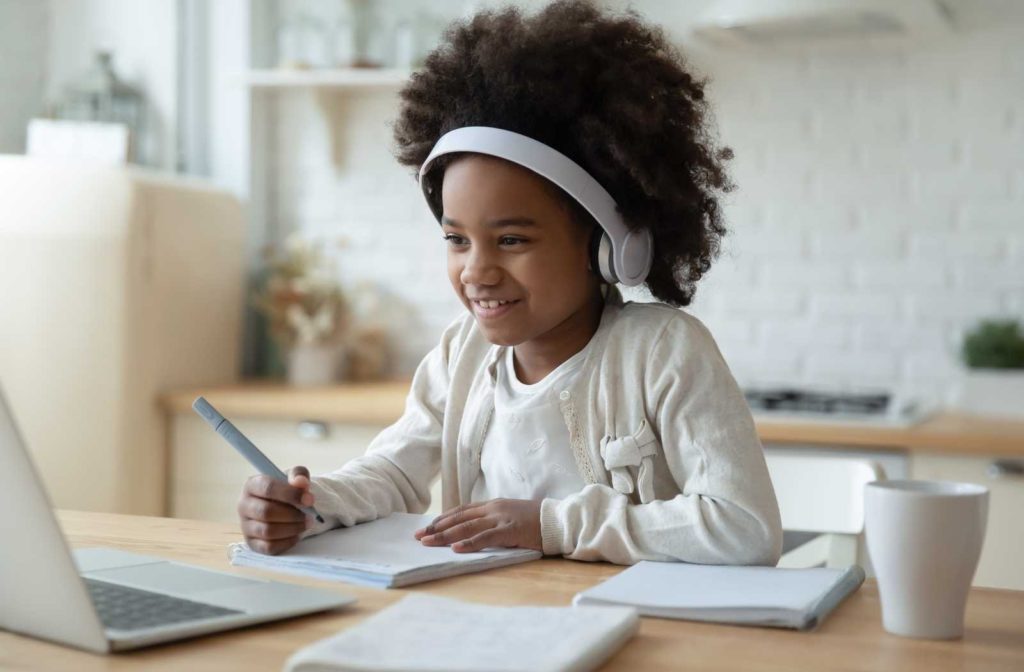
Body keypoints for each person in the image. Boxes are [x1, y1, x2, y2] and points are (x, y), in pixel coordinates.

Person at [237, 0, 782, 566]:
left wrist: (548, 525)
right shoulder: (460, 354)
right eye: (457, 240)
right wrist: (313, 502)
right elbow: (395, 472)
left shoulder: (663, 352)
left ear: (608, 246)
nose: (476, 271)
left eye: (512, 240)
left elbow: (744, 529)